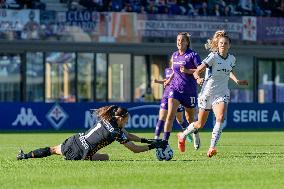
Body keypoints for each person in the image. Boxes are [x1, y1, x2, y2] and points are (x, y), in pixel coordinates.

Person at [177, 30, 248, 157]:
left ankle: (212, 147)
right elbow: (196, 71)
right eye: (221, 43)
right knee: (200, 124)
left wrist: (237, 80)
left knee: (220, 117)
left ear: (229, 45)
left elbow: (229, 70)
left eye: (225, 43)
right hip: (207, 93)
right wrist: (198, 78)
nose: (223, 45)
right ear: (218, 44)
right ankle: (182, 135)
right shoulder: (213, 57)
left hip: (221, 93)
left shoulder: (232, 58)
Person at [17, 105, 167, 161]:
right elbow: (134, 149)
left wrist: (149, 140)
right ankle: (72, 158)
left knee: (51, 150)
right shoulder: (115, 132)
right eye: (126, 120)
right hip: (83, 152)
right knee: (106, 157)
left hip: (75, 140)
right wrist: (155, 146)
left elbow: (129, 135)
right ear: (120, 118)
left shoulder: (107, 119)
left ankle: (24, 156)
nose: (127, 123)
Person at [163, 32, 202, 150]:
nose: (179, 42)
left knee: (190, 119)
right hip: (175, 89)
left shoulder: (193, 55)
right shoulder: (174, 55)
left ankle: (195, 133)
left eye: (182, 40)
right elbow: (175, 71)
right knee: (170, 115)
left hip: (189, 91)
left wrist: (187, 71)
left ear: (187, 42)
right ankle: (164, 142)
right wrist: (169, 80)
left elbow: (200, 70)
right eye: (178, 40)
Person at [153, 63, 192, 142]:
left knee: (180, 119)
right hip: (166, 96)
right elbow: (167, 80)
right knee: (162, 117)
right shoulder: (167, 70)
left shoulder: (179, 70)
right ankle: (156, 138)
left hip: (176, 97)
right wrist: (158, 81)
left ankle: (186, 133)